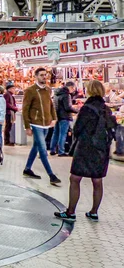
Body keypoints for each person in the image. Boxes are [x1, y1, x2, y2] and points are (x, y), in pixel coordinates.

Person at [55, 80, 117, 223]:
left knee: (75, 178)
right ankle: (94, 212)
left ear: (90, 90)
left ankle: (71, 212)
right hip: (101, 149)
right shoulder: (106, 109)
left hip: (85, 147)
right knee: (97, 181)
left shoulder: (87, 108)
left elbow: (78, 128)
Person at [22, 67, 60, 185]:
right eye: (42, 75)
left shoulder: (48, 90)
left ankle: (27, 169)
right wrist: (27, 126)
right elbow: (25, 109)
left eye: (45, 75)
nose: (44, 77)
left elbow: (51, 105)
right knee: (43, 149)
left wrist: (54, 118)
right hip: (36, 123)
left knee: (36, 147)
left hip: (46, 124)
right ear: (36, 76)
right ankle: (51, 175)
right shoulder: (30, 91)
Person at [50, 81, 79, 157]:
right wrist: (77, 111)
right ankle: (61, 151)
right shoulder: (67, 95)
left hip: (57, 116)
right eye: (73, 88)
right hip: (64, 116)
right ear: (71, 87)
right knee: (63, 134)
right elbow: (68, 107)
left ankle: (52, 150)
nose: (73, 90)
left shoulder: (56, 94)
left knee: (56, 133)